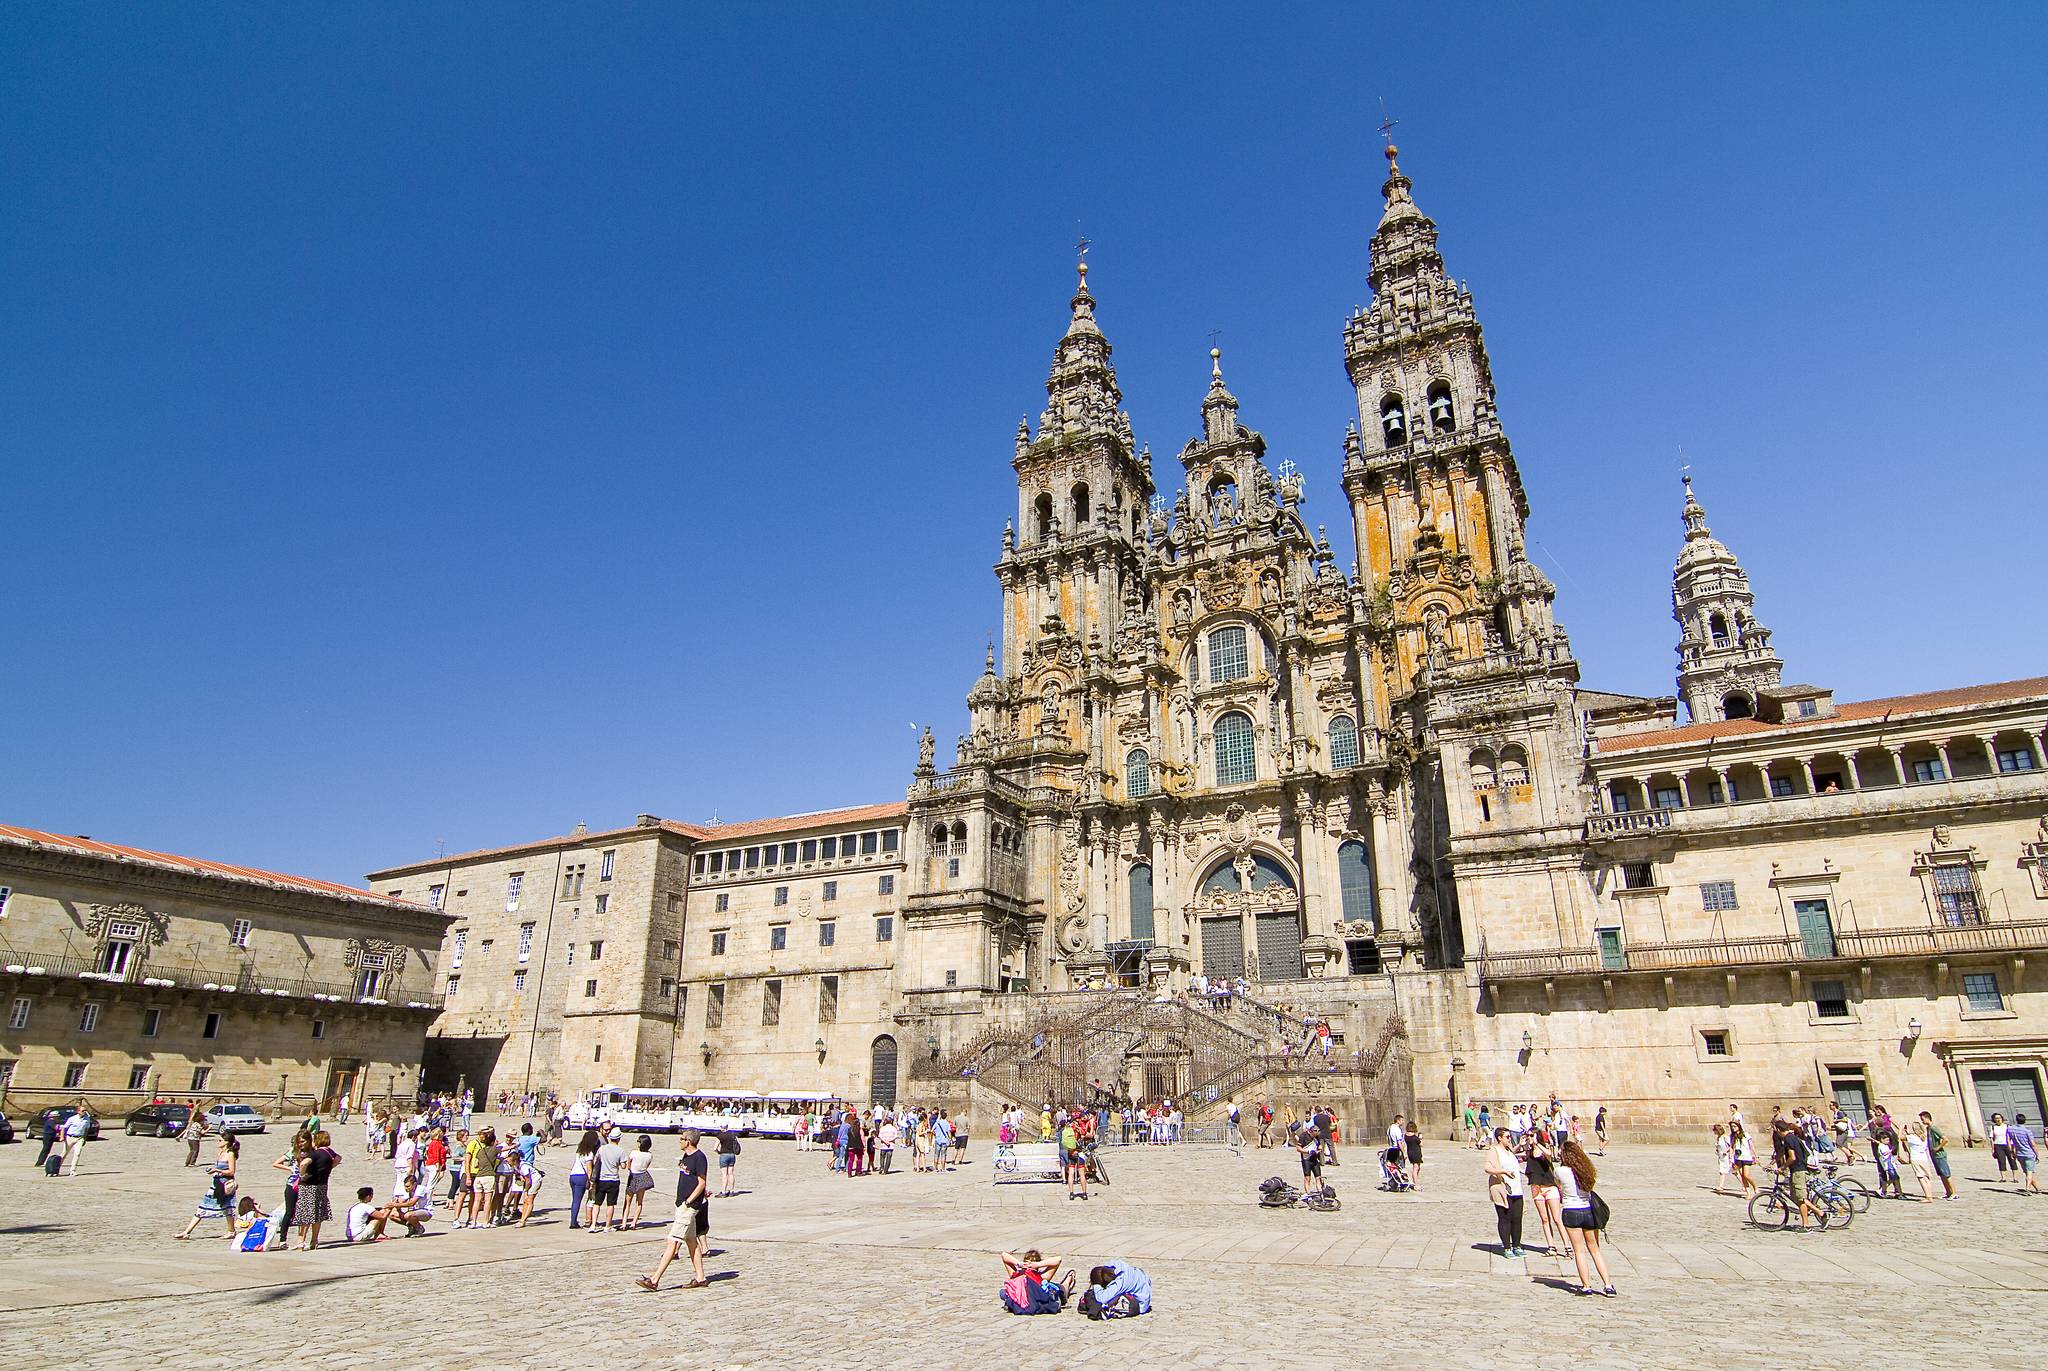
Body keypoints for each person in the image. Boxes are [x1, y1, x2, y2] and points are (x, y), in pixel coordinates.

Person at [637, 1130, 710, 1291]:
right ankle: (700, 1277)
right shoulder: (686, 1157)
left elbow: (702, 1182)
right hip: (682, 1204)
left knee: (672, 1241)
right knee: (692, 1242)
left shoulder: (699, 1158)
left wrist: (689, 1201)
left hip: (688, 1207)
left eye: (682, 1139)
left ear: (688, 1141)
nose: (679, 1141)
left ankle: (655, 1280)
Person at [1556, 1140, 1615, 1297]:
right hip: (1588, 1210)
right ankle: (1608, 1285)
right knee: (1595, 1250)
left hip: (1571, 1211)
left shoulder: (1560, 1171)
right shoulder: (1586, 1170)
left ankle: (1586, 1286)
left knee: (1579, 1251)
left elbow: (1559, 1187)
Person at [176, 1135, 241, 1240]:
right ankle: (187, 1232)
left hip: (225, 1185)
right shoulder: (220, 1153)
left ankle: (231, 1231)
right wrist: (213, 1170)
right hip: (216, 1183)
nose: (218, 1142)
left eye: (220, 1140)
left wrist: (217, 1170)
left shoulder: (230, 1154)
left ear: (227, 1142)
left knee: (226, 1208)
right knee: (204, 1206)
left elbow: (232, 1171)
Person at [293, 1130, 340, 1250]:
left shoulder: (316, 1153)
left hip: (309, 1186)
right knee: (318, 1214)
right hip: (322, 1186)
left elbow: (304, 1163)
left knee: (305, 1214)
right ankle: (314, 1240)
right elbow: (339, 1158)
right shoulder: (329, 1152)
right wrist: (330, 1167)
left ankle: (301, 1240)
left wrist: (302, 1175)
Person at [1484, 1127, 1526, 1258]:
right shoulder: (1494, 1150)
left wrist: (1519, 1145)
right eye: (1507, 1137)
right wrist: (1503, 1172)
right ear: (1499, 1138)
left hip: (1516, 1189)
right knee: (1505, 1218)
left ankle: (1517, 1245)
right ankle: (1507, 1247)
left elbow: (1512, 1162)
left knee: (1517, 1219)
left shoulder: (1509, 1151)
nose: (1510, 1139)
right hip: (1502, 1189)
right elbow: (1488, 1168)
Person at [1772, 1119, 1818, 1232]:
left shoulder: (1788, 1139)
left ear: (1778, 1129)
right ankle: (1818, 1213)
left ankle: (1807, 1225)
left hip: (1798, 1171)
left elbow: (1792, 1157)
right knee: (1796, 1197)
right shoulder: (1791, 1137)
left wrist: (1782, 1168)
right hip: (1798, 1170)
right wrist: (1772, 1163)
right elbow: (1783, 1153)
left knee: (1801, 1199)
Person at [998, 1249, 1074, 1314]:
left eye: (1031, 1263)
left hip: (1047, 1290)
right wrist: (1020, 1264)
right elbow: (1004, 1255)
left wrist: (1037, 1264)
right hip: (1039, 1295)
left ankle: (1068, 1280)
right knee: (1003, 1292)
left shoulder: (1041, 1276)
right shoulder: (1018, 1277)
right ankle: (1069, 1279)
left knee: (1060, 1288)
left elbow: (1058, 1259)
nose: (1029, 1265)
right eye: (1027, 1262)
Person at [1082, 1261, 1153, 1319]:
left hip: (1140, 1304)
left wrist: (1096, 1285)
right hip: (1143, 1288)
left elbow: (1101, 1299)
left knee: (1095, 1299)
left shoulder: (1119, 1284)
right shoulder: (1116, 1264)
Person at [591, 1131, 628, 1232]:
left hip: (602, 1178)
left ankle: (593, 1224)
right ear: (619, 1139)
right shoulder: (621, 1151)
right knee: (610, 1204)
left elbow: (595, 1160)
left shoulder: (602, 1149)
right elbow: (624, 1166)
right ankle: (607, 1226)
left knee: (597, 1203)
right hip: (613, 1179)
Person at [622, 1134, 656, 1228]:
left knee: (628, 1201)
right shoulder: (649, 1155)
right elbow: (647, 1166)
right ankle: (634, 1223)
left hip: (633, 1176)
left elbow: (628, 1166)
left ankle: (624, 1223)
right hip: (643, 1176)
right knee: (639, 1202)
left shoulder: (634, 1153)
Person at [1903, 1120, 1937, 1203]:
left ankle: (1928, 1196)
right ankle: (1930, 1196)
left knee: (1921, 1178)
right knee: (1927, 1178)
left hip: (1916, 1159)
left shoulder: (1911, 1137)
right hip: (1924, 1159)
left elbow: (1899, 1137)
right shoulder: (1924, 1137)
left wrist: (1901, 1129)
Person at [2010, 1114, 2040, 1194]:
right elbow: (2033, 1144)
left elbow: (2010, 1142)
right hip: (2029, 1153)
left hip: (2020, 1154)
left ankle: (2037, 1189)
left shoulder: (2011, 1129)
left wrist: (2012, 1152)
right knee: (2029, 1172)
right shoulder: (2027, 1131)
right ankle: (2027, 1189)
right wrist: (2037, 1154)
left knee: (2028, 1172)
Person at [61, 1107, 93, 1175]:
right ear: (78, 1111)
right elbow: (64, 1127)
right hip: (70, 1137)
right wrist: (61, 1136)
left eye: (85, 1110)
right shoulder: (72, 1118)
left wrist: (84, 1139)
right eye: (83, 1110)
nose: (84, 1112)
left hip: (80, 1138)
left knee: (77, 1154)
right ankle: (57, 1168)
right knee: (64, 1153)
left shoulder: (87, 1119)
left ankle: (72, 1170)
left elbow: (86, 1129)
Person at [1729, 1120, 1757, 1197]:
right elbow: (1732, 1147)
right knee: (1742, 1176)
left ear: (1739, 1126)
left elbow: (1751, 1145)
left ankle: (1755, 1187)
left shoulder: (1745, 1134)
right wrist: (1731, 1157)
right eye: (1732, 1127)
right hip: (1738, 1158)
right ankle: (1748, 1193)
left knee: (1746, 1175)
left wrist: (1755, 1156)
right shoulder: (1732, 1136)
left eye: (1734, 1126)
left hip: (1747, 1157)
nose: (1733, 1128)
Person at [1990, 1113, 2012, 1182]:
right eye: (1996, 1118)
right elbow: (1991, 1138)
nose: (1998, 1119)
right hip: (1998, 1145)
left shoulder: (2007, 1126)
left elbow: (2011, 1136)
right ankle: (2003, 1178)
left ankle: (2015, 1178)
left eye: (1999, 1118)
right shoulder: (1993, 1127)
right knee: (2001, 1161)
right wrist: (1993, 1149)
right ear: (1994, 1120)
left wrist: (2012, 1147)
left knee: (2012, 1160)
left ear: (2002, 1118)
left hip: (2008, 1145)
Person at [1403, 1117, 1422, 1191]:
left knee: (1416, 1168)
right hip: (1416, 1153)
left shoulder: (1405, 1136)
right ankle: (1416, 1185)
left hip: (1410, 1152)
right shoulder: (1414, 1137)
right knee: (1415, 1169)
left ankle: (1416, 1181)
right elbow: (1421, 1144)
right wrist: (1420, 1138)